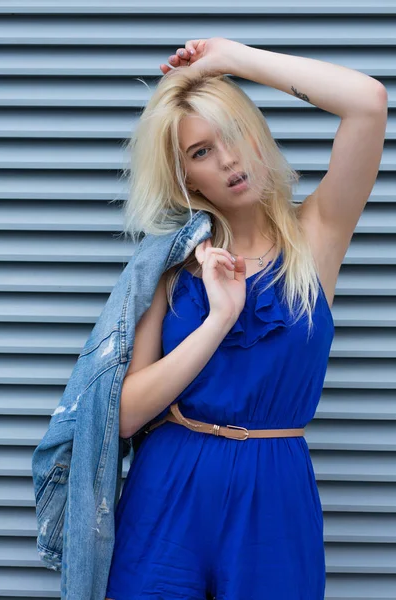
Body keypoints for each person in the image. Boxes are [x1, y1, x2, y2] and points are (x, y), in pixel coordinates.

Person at [105, 37, 387, 600]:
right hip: (169, 486)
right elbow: (128, 415)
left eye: (233, 135)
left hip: (274, 488)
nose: (228, 160)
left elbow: (368, 103)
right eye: (201, 151)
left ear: (257, 135)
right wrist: (218, 319)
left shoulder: (317, 237)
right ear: (186, 178)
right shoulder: (168, 263)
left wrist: (230, 58)